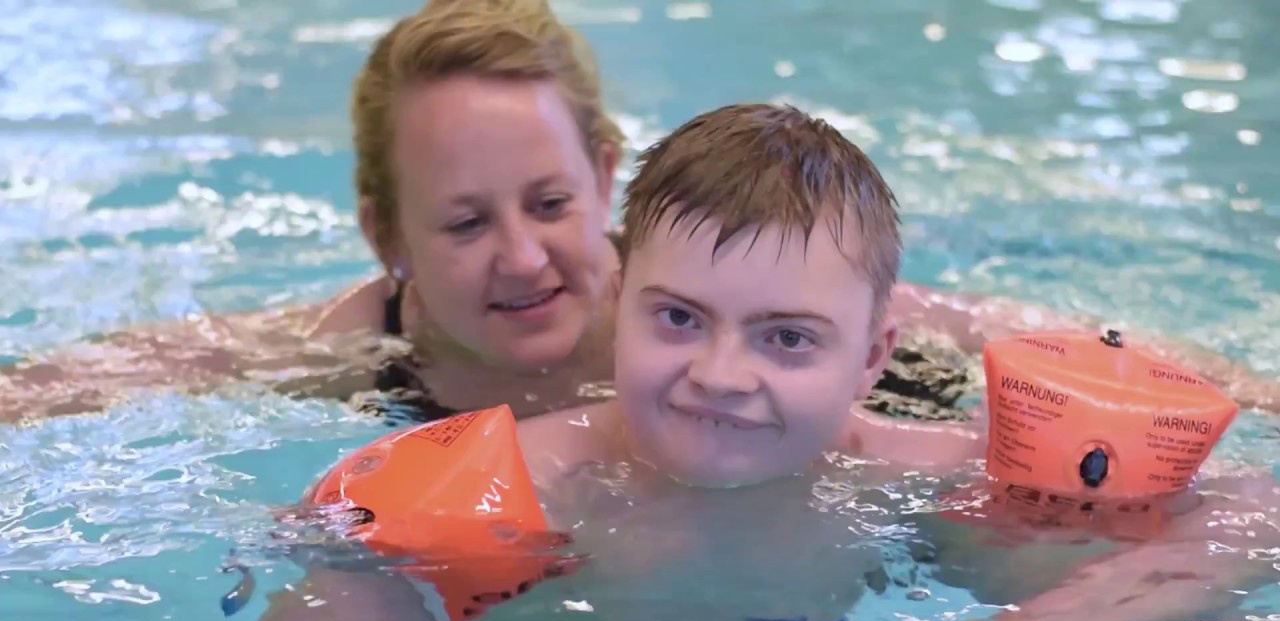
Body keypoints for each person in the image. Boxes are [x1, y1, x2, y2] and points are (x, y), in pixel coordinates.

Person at [215, 103, 1279, 621]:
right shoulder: (522, 486)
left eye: (784, 339)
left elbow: (1247, 517)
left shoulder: (901, 471)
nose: (720, 376)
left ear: (870, 361)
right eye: (677, 318)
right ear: (618, 307)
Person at [3, 0, 1276, 427]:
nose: (521, 257)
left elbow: (969, 328)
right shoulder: (346, 359)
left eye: (552, 201)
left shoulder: (710, 295)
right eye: (459, 225)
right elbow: (87, 379)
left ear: (608, 171)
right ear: (382, 231)